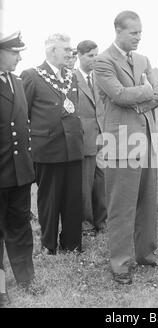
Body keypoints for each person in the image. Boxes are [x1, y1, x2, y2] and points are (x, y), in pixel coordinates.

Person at [94, 10, 158, 284]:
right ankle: (120, 265)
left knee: (147, 202)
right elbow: (118, 94)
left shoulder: (143, 59)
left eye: (140, 32)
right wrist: (145, 92)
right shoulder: (102, 61)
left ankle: (146, 256)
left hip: (146, 139)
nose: (139, 37)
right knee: (121, 207)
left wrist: (140, 97)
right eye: (133, 32)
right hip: (120, 143)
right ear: (118, 30)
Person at [20, 33, 84, 255]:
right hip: (48, 149)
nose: (70, 52)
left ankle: (73, 243)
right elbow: (23, 114)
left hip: (74, 148)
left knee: (74, 198)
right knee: (49, 199)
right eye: (66, 49)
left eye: (70, 49)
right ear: (51, 51)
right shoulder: (31, 75)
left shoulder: (72, 76)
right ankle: (49, 245)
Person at [0, 31, 35, 306]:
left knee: (20, 228)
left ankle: (25, 278)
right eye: (14, 52)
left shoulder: (18, 82)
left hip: (19, 172)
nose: (19, 57)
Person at [75, 40, 107, 236]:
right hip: (84, 139)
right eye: (90, 55)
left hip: (103, 138)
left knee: (101, 182)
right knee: (84, 185)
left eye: (96, 54)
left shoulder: (100, 78)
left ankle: (101, 221)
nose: (94, 59)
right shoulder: (72, 78)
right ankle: (85, 223)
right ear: (79, 55)